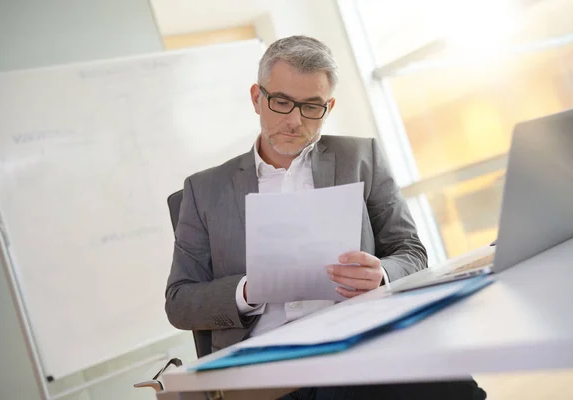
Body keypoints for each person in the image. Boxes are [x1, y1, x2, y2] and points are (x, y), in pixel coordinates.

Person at [166, 35, 486, 399]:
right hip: (269, 365)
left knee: (454, 384)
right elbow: (179, 301)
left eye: (312, 107)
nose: (295, 121)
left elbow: (410, 251)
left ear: (329, 106)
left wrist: (381, 274)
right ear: (257, 98)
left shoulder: (362, 158)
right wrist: (247, 291)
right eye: (282, 103)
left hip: (360, 337)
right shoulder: (204, 190)